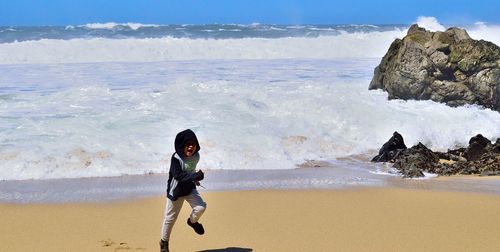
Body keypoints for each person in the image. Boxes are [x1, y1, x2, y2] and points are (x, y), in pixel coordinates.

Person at [160, 129, 206, 252]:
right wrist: (195, 176)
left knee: (201, 207)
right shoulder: (176, 158)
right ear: (182, 146)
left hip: (189, 188)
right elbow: (178, 176)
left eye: (193, 144)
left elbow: (190, 170)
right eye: (188, 144)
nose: (191, 147)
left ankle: (192, 221)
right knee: (170, 219)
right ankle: (164, 242)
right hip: (176, 191)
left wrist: (194, 179)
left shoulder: (196, 156)